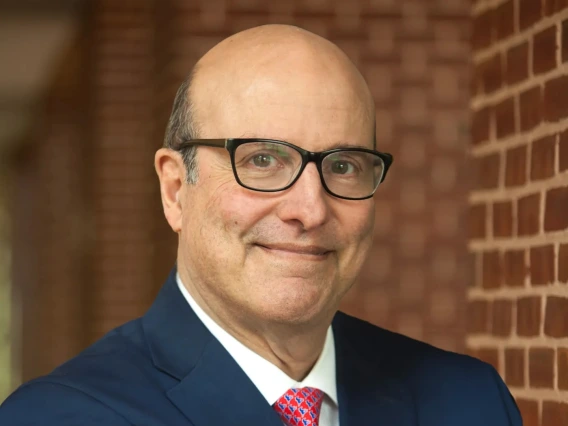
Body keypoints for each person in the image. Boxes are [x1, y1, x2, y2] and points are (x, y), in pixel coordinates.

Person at [0, 24, 521, 426]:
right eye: (262, 161)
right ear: (176, 190)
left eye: (343, 165)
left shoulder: (470, 401)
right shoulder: (59, 416)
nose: (310, 210)